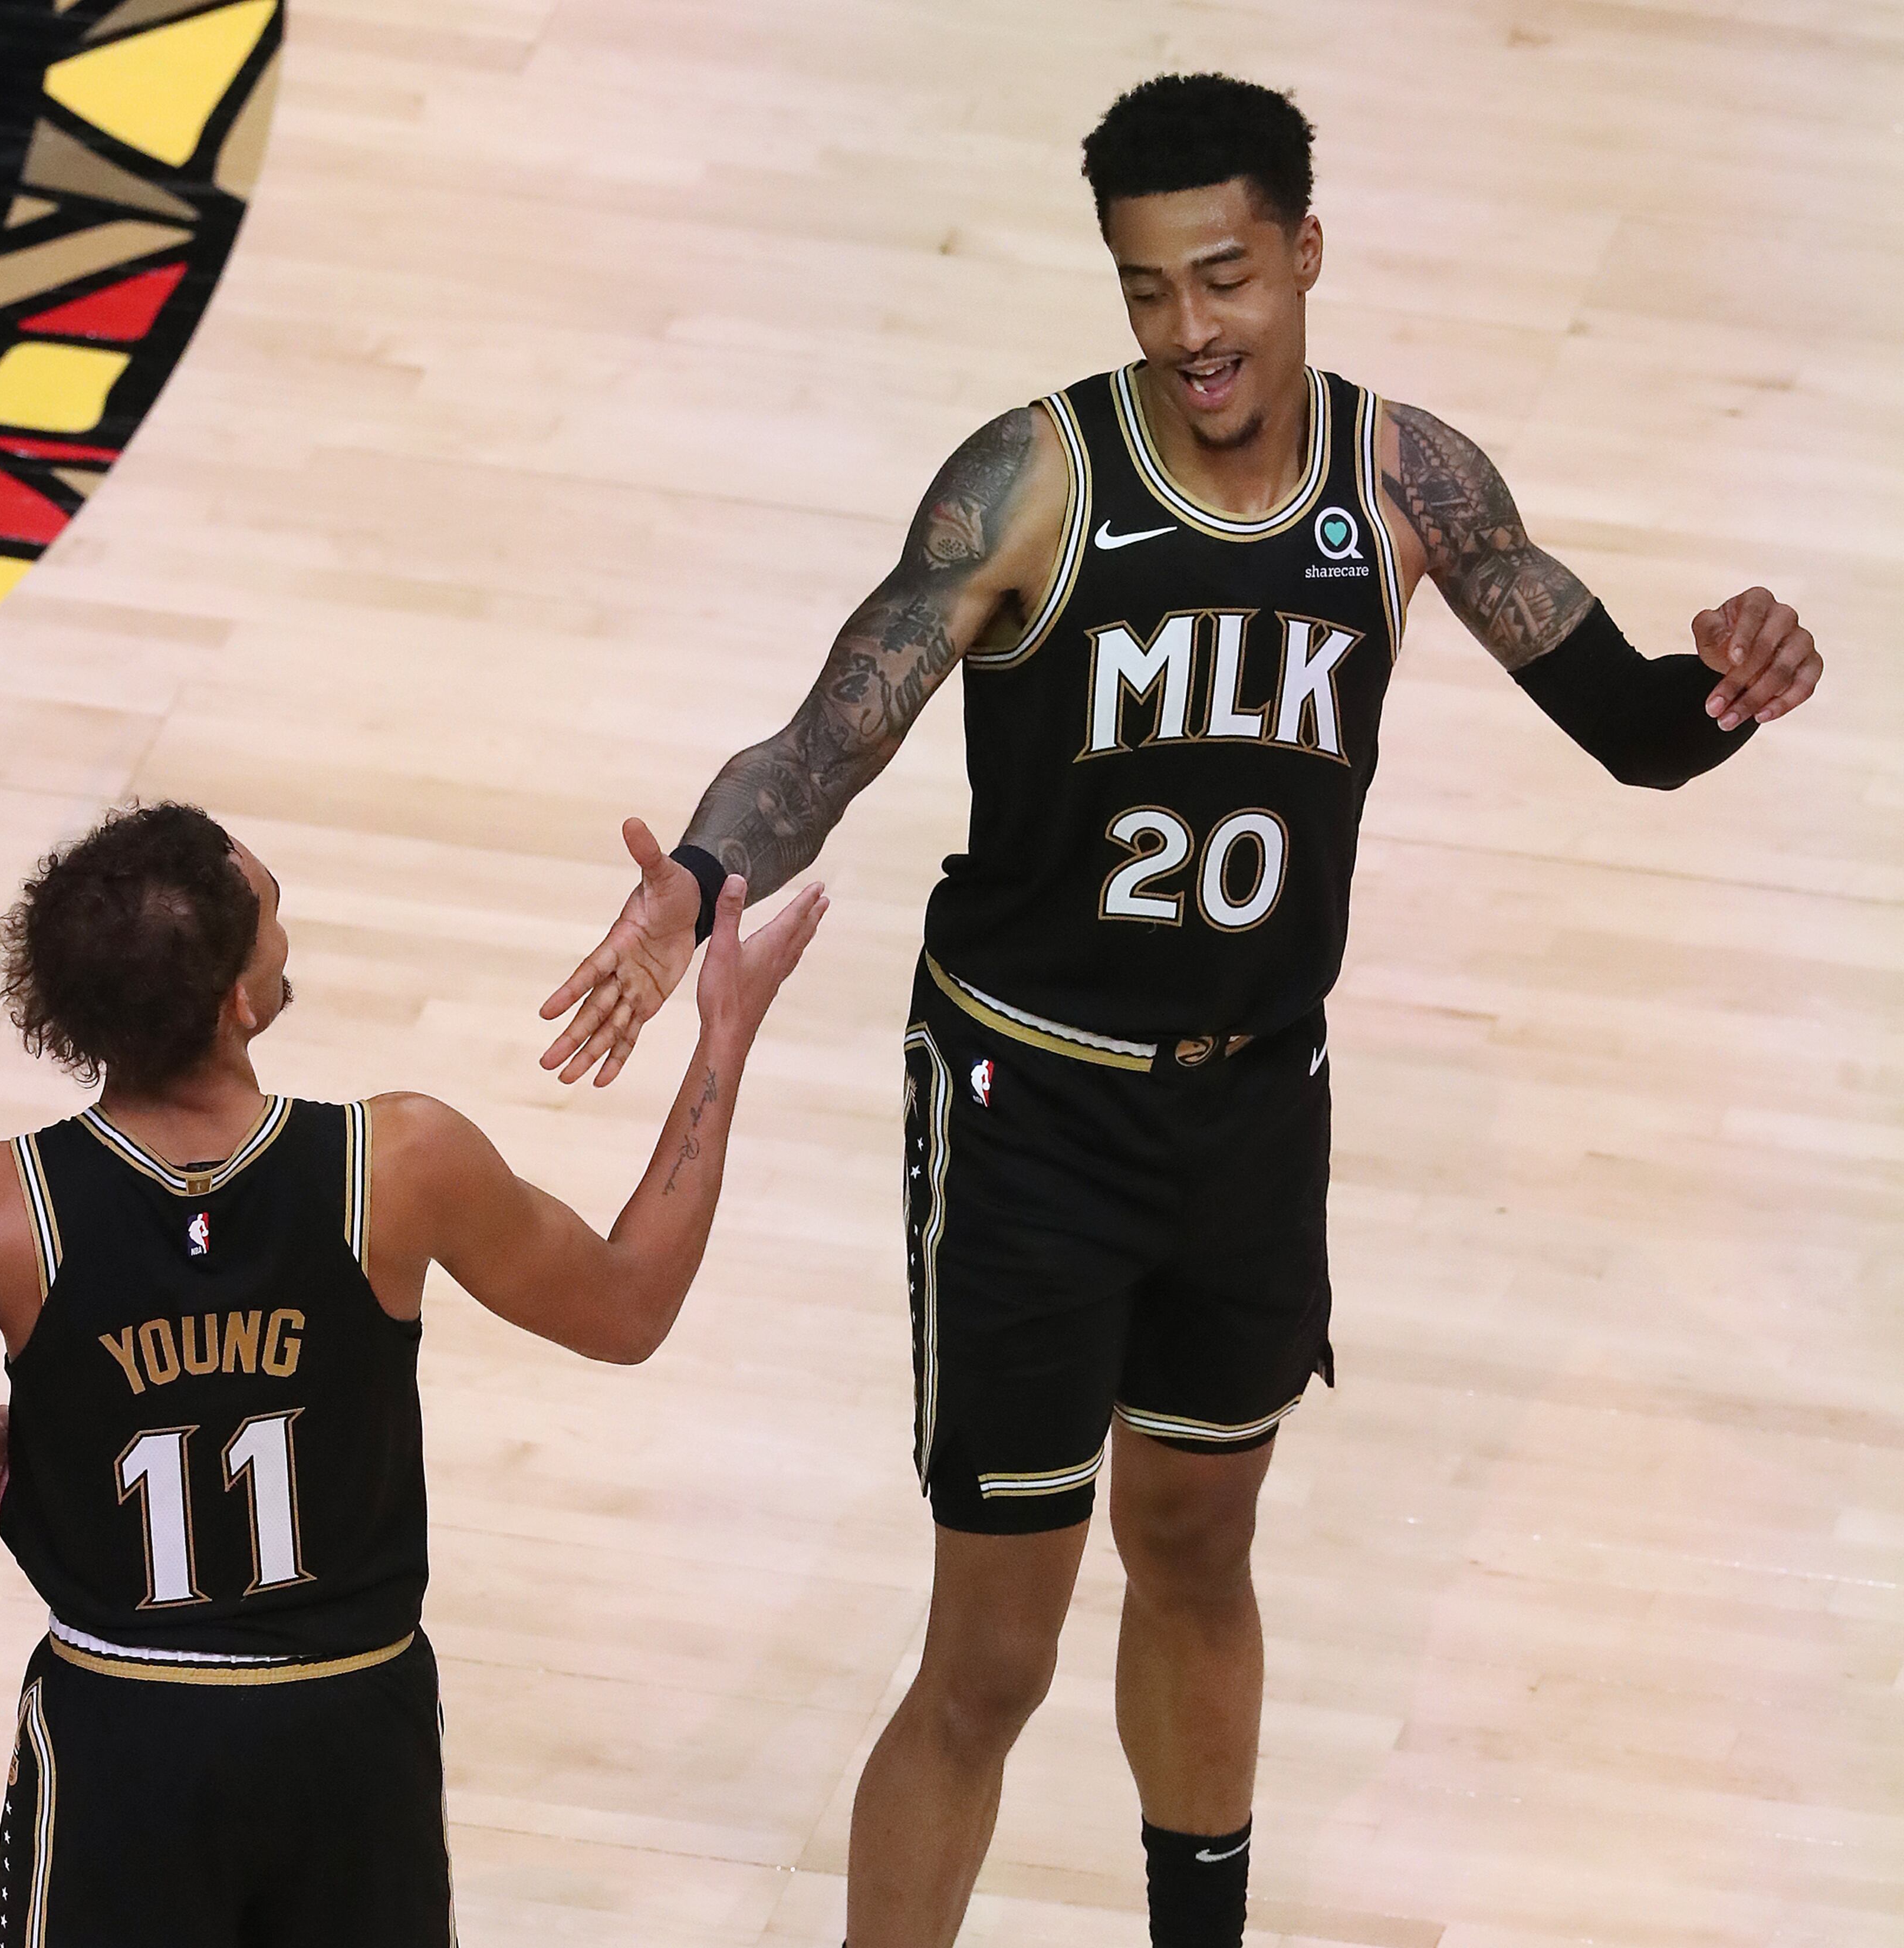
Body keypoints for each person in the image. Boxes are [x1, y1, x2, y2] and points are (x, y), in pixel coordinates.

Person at [535, 71, 1823, 1948]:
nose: (1190, 331)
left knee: (1203, 1554)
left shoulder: (1408, 482)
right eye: (1148, 291)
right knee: (989, 1656)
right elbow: (832, 731)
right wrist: (707, 878)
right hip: (1031, 1112)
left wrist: (1735, 678)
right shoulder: (1035, 483)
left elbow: (1632, 730)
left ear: (1306, 254)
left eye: (1224, 279)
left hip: (1249, 1110)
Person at [0, 799, 826, 1946]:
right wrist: (722, 1046)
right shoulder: (398, 1162)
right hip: (351, 1738)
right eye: (272, 912)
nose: (284, 920)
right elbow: (631, 1305)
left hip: (119, 1744)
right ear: (237, 1004)